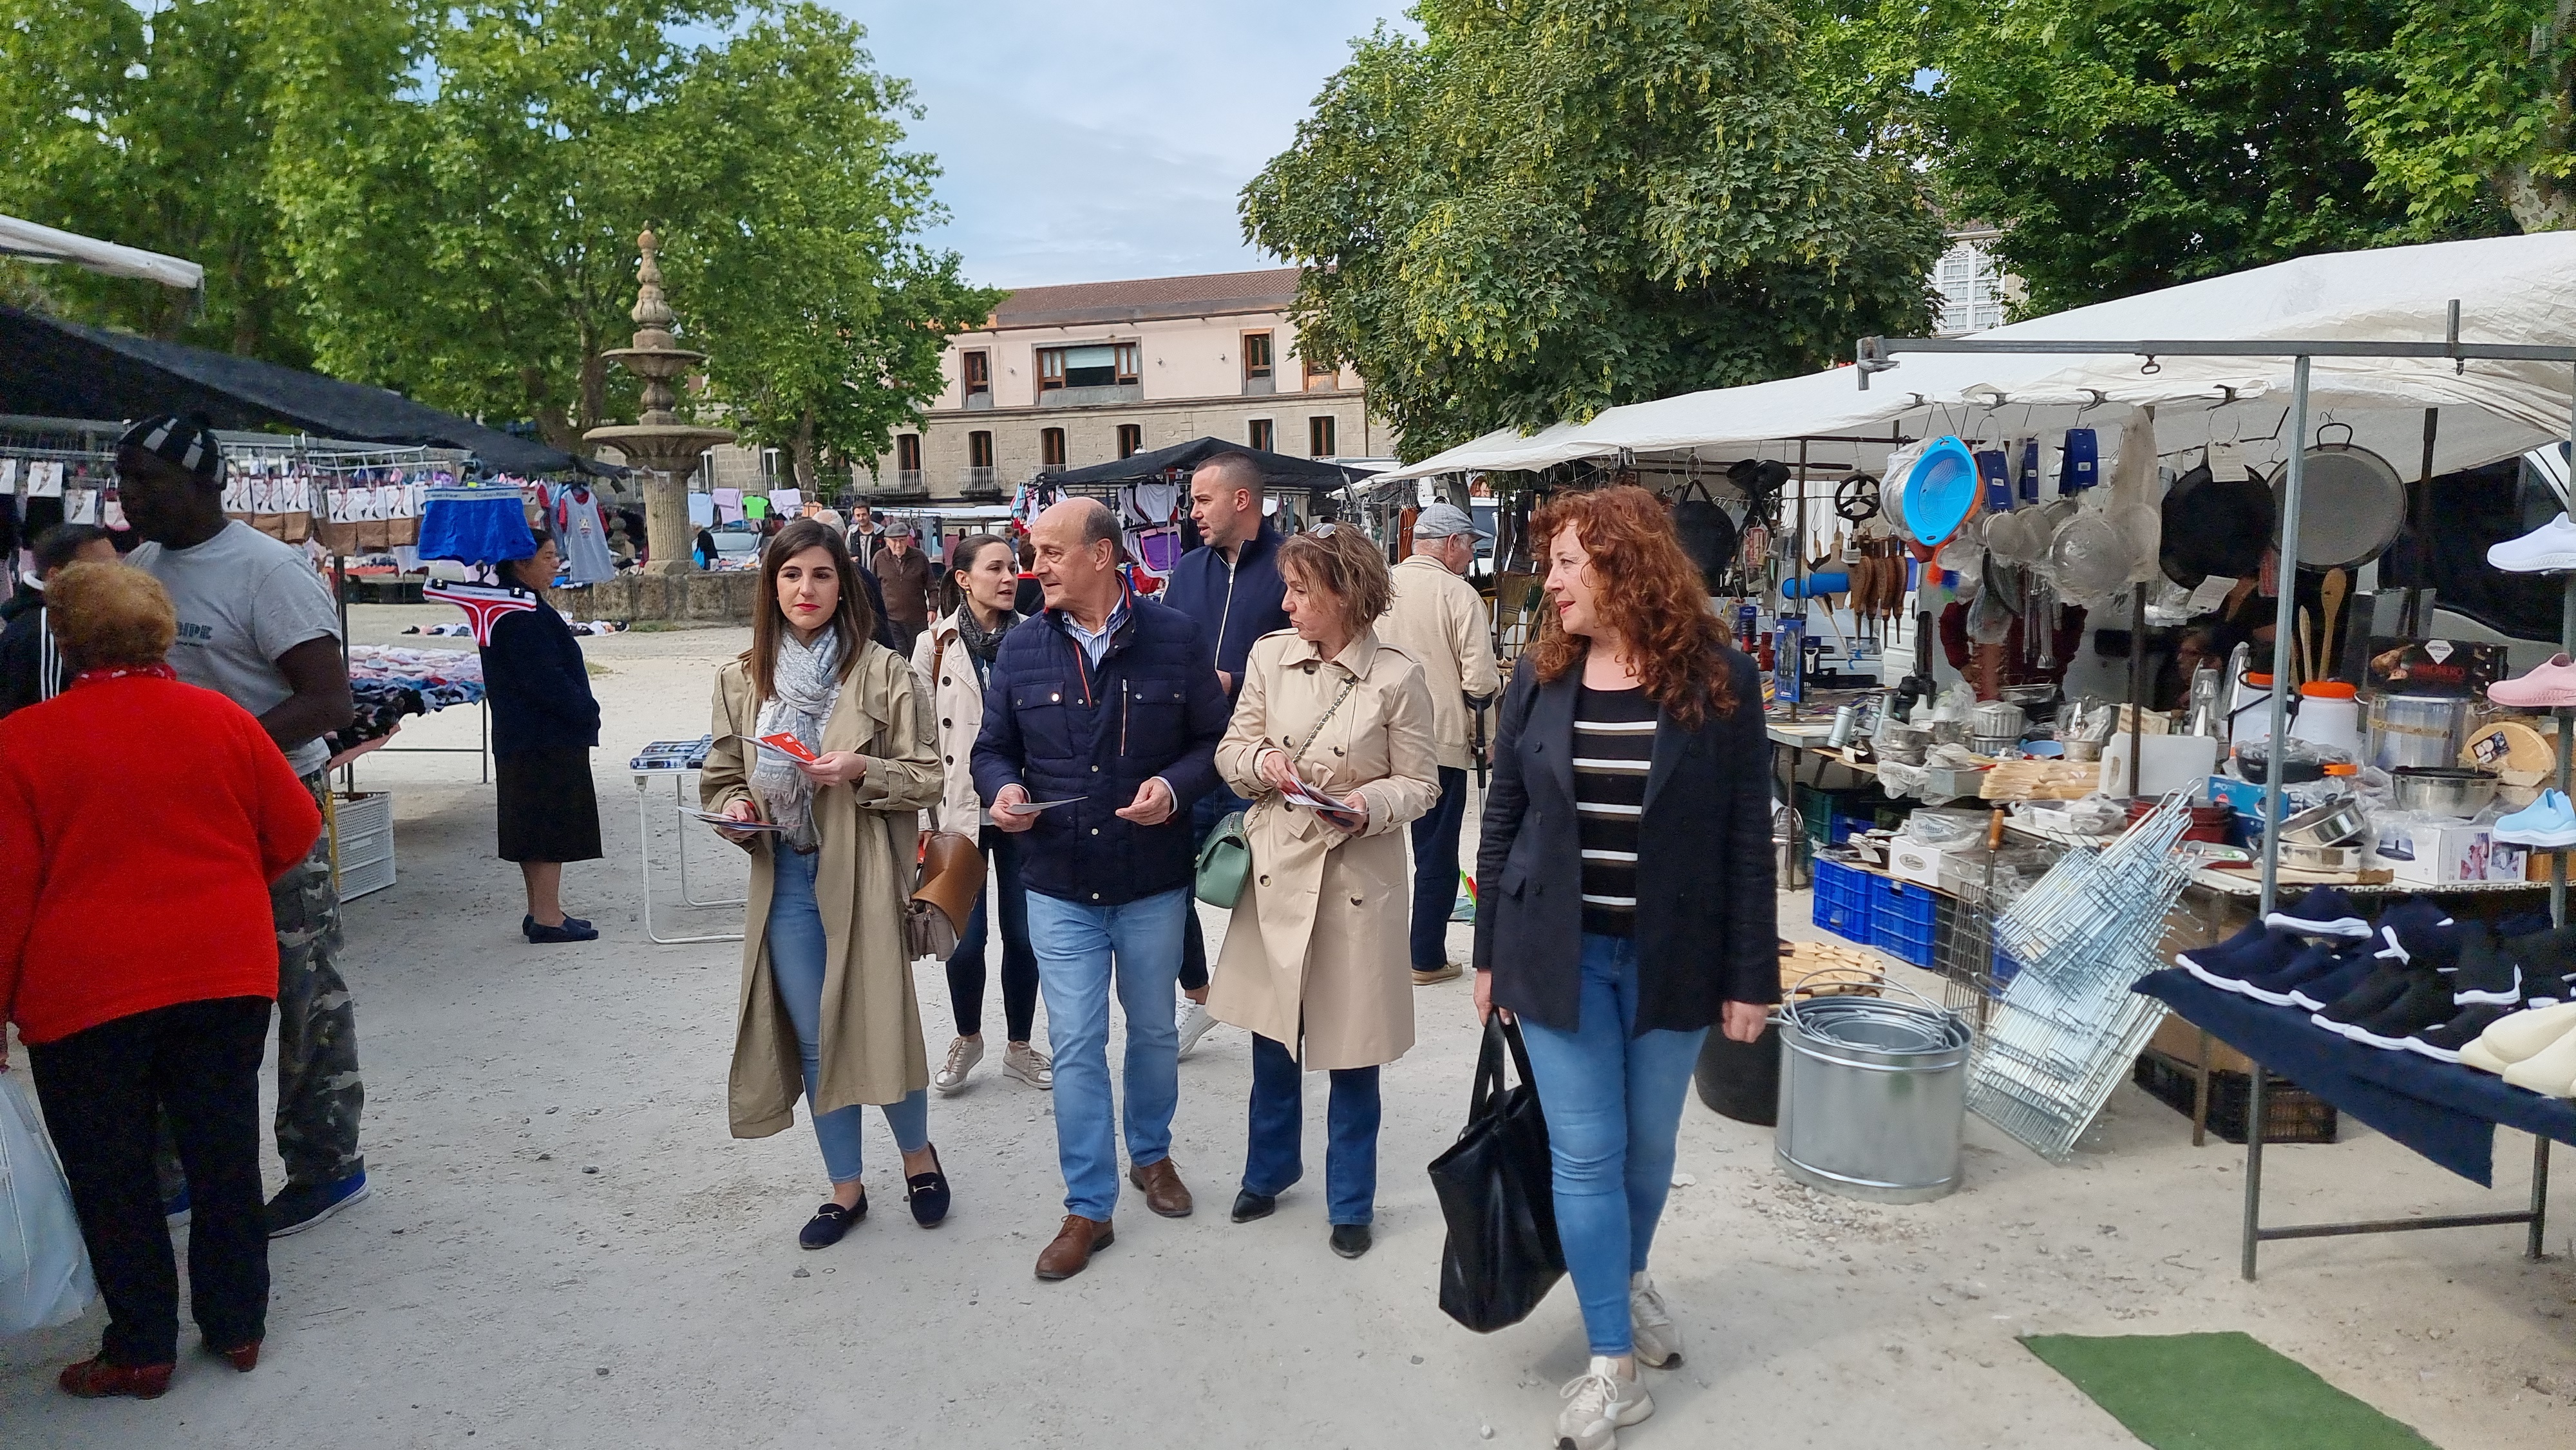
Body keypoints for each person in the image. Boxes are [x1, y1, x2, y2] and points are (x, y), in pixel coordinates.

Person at [1473, 486, 1776, 1450]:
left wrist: (1751, 976)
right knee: (1587, 1151)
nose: (1552, 582)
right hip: (1554, 953)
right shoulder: (1542, 674)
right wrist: (1487, 954)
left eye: (1568, 562)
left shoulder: (1721, 678)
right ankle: (1613, 1362)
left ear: (1626, 566)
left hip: (1674, 955)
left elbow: (1747, 838)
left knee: (1648, 1148)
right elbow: (1503, 815)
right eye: (1552, 563)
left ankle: (1627, 1277)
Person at [0, 561, 322, 1399]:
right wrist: (227, 885)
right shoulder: (224, 719)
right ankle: (238, 1324)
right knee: (224, 1152)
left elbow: (6, 893)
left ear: (65, 639)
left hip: (86, 988)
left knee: (112, 1171)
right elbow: (296, 827)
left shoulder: (22, 742)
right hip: (225, 971)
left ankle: (141, 1346)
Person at [117, 413, 369, 1240]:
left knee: (302, 984)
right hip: (175, 818)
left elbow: (327, 701)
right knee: (173, 990)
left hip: (272, 808)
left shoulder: (269, 572)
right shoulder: (139, 569)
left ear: (203, 482)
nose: (127, 494)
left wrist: (219, 753)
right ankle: (174, 1169)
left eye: (145, 478)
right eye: (123, 477)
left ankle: (326, 1163)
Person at [972, 498, 1229, 1281]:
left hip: (1151, 882)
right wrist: (1003, 790)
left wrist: (1174, 786)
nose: (1035, 567)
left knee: (1151, 1031)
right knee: (1078, 1043)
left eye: (1050, 552)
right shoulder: (1021, 647)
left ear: (1103, 554)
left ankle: (1150, 1153)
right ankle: (1088, 1205)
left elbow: (1212, 740)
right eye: (1032, 553)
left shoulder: (1175, 637)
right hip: (1057, 882)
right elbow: (991, 748)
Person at [701, 518, 952, 1248]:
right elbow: (722, 777)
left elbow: (928, 777)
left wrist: (861, 769)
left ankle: (918, 1158)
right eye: (790, 575)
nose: (804, 589)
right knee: (813, 1037)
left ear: (843, 586)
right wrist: (736, 809)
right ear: (770, 586)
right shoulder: (740, 678)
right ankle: (846, 1187)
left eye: (820, 574)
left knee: (881, 1019)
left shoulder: (884, 671)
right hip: (784, 873)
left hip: (863, 871)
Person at [1207, 524, 1437, 1260]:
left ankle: (1351, 1200)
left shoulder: (1397, 676)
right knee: (1272, 1035)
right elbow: (1230, 749)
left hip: (1355, 879)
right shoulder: (1269, 656)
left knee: (1352, 1046)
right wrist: (1261, 763)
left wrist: (1368, 805)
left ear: (1345, 593)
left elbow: (1422, 782)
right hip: (1278, 867)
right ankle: (1268, 1170)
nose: (1287, 603)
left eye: (1301, 590)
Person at [1160, 451, 1289, 1055]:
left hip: (1261, 758)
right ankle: (1199, 993)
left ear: (1242, 501)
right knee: (1168, 882)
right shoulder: (1188, 570)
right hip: (1191, 756)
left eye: (1202, 500)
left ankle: (1274, 1004)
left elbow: (1311, 653)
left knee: (1263, 884)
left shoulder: (1293, 565)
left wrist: (1233, 681)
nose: (1193, 512)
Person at [913, 532, 1050, 1094]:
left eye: (1013, 567)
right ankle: (967, 1038)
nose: (1009, 577)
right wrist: (922, 823)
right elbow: (918, 738)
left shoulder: (1039, 636)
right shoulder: (933, 645)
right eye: (995, 568)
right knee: (964, 940)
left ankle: (1020, 1045)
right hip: (957, 811)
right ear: (963, 579)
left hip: (1023, 809)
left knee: (1024, 936)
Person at [1377, 502, 1502, 985]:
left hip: (1377, 735)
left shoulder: (1381, 585)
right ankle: (1425, 956)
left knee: (1378, 846)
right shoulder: (1459, 594)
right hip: (1439, 740)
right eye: (1470, 546)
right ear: (1451, 544)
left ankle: (1377, 952)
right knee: (1436, 852)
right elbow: (1480, 680)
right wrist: (1486, 740)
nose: (1471, 556)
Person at [480, 530, 604, 944]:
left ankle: (542, 910)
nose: (556, 563)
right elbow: (543, 677)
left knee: (533, 824)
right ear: (521, 562)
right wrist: (584, 709)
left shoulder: (514, 603)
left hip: (528, 734)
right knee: (547, 825)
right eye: (548, 556)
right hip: (541, 735)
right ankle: (548, 917)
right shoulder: (517, 610)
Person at [0, 523, 118, 719]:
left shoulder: (65, 618)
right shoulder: (49, 630)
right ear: (56, 577)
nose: (117, 578)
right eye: (101, 570)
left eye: (118, 568)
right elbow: (49, 716)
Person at [874, 518, 935, 657]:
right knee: (897, 657)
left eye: (902, 540)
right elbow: (874, 588)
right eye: (894, 541)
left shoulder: (919, 557)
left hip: (917, 618)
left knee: (919, 657)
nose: (898, 545)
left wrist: (933, 608)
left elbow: (931, 585)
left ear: (908, 540)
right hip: (891, 619)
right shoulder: (879, 558)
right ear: (887, 541)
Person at [846, 501, 882, 571]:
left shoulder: (881, 533)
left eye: (864, 514)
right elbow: (847, 554)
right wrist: (851, 560)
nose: (861, 518)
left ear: (869, 514)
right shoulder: (852, 534)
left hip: (878, 574)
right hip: (858, 574)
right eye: (858, 515)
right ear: (854, 517)